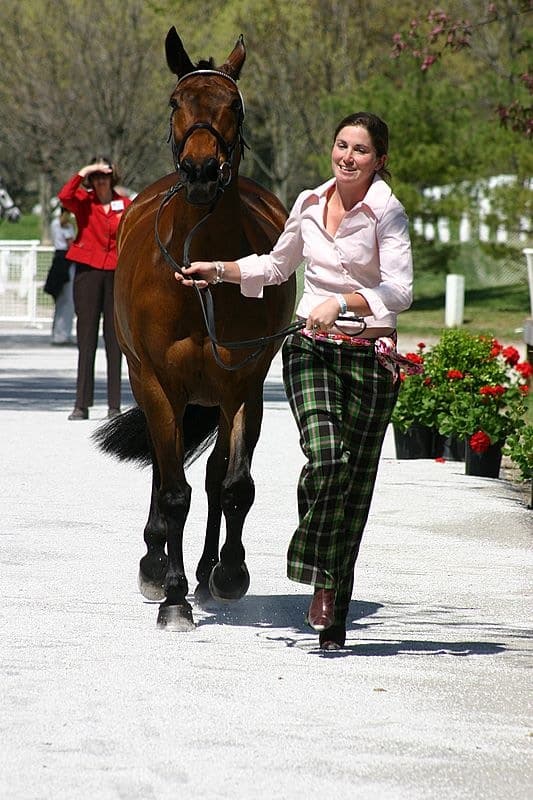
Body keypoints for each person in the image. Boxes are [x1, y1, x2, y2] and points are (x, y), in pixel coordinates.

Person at [175, 112, 420, 650]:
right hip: (311, 350)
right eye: (341, 145)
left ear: (379, 159)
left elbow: (400, 292)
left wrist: (344, 302)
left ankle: (331, 603)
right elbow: (276, 266)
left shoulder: (388, 213)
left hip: (369, 358)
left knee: (353, 488)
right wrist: (218, 270)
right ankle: (313, 561)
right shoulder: (309, 203)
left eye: (360, 149)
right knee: (327, 458)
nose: (347, 156)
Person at [58, 156, 132, 421]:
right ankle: (81, 404)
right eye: (97, 176)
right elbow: (64, 195)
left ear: (113, 177)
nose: (101, 181)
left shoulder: (125, 204)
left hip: (115, 273)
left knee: (115, 340)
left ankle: (114, 405)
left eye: (106, 175)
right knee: (86, 339)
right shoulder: (83, 202)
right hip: (87, 273)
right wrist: (85, 170)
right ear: (91, 179)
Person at [44, 207, 76, 345]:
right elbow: (70, 244)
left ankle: (58, 333)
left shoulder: (54, 224)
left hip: (58, 259)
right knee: (67, 300)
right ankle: (62, 334)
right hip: (65, 261)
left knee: (60, 301)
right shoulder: (65, 226)